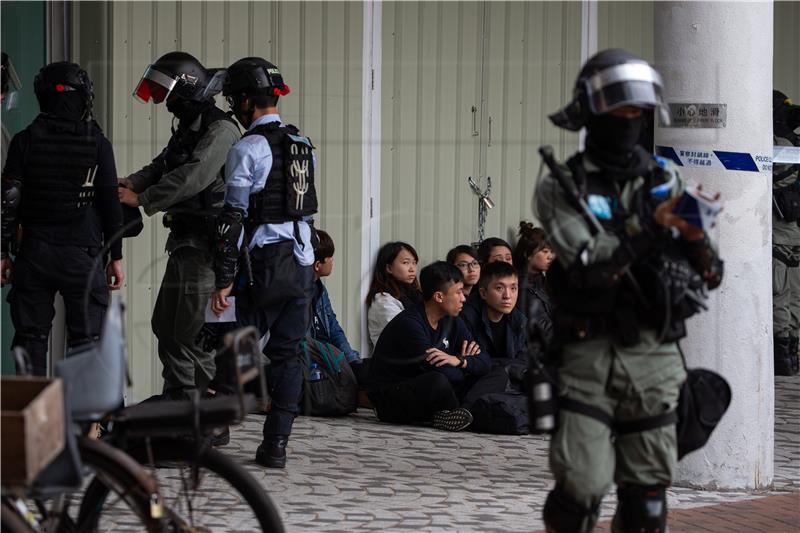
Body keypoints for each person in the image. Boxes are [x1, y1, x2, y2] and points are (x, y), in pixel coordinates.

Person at [534, 49, 723, 532]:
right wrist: (650, 229)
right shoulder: (563, 183)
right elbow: (587, 261)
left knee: (647, 501)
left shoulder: (666, 179)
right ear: (591, 115)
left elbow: (710, 273)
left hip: (653, 355)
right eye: (618, 113)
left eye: (636, 114)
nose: (628, 123)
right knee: (581, 486)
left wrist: (697, 241)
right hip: (586, 351)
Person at [211, 57, 317, 469]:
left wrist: (223, 279)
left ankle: (215, 426)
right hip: (302, 260)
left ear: (245, 101)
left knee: (231, 342)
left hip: (264, 263)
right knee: (290, 354)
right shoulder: (302, 144)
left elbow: (233, 218)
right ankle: (276, 446)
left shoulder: (247, 148)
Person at [119, 52, 240, 400]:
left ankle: (210, 419)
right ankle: (179, 407)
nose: (164, 101)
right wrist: (131, 182)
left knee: (193, 336)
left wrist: (143, 200)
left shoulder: (220, 130)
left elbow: (194, 176)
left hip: (207, 250)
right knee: (166, 328)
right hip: (185, 245)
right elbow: (162, 165)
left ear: (187, 88)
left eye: (166, 91)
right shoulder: (190, 128)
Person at [1, 61, 124, 375]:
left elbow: (8, 202)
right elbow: (111, 202)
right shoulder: (98, 143)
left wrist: (2, 253)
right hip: (82, 255)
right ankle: (83, 423)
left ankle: (33, 419)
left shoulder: (24, 141)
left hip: (34, 254)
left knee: (30, 340)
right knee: (87, 342)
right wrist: (116, 256)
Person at [367, 261, 489, 431]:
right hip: (393, 397)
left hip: (441, 388)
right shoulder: (410, 324)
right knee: (438, 381)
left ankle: (456, 414)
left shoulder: (453, 321)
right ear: (439, 297)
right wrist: (466, 368)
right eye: (458, 292)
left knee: (496, 370)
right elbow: (439, 371)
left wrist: (459, 360)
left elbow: (484, 360)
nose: (463, 298)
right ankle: (464, 413)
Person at [771, 90, 800, 376]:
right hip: (793, 235)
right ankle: (792, 356)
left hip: (779, 236)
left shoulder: (774, 144)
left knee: (780, 295)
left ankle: (782, 359)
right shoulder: (794, 144)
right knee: (794, 296)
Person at [309, 229, 362, 367]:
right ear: (317, 265)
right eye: (330, 257)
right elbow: (305, 344)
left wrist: (351, 360)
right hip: (315, 360)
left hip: (329, 354)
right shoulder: (298, 295)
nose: (332, 261)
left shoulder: (320, 290)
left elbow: (333, 326)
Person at [365, 241, 422, 348]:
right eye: (406, 263)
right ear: (389, 268)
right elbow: (408, 334)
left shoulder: (416, 295)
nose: (412, 269)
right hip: (394, 361)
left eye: (414, 263)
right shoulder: (383, 301)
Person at [512, 222, 555, 341]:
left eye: (551, 252)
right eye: (545, 252)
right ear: (528, 254)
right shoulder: (520, 286)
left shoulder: (544, 281)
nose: (550, 256)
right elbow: (542, 327)